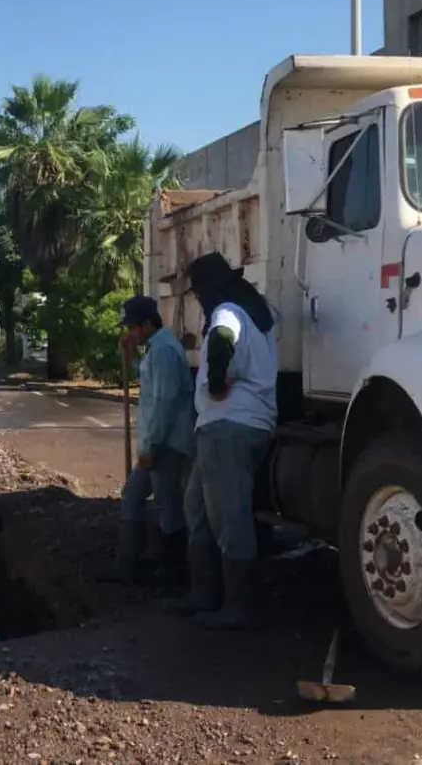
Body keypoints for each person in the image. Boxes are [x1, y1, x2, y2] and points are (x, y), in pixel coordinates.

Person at [165, 252, 278, 630]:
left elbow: (222, 341)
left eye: (198, 292)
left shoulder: (228, 311)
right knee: (196, 506)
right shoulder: (256, 315)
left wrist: (215, 383)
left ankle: (236, 607)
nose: (198, 299)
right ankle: (204, 592)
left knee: (229, 515)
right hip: (233, 426)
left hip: (229, 426)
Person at [105, 295, 194, 588]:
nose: (130, 333)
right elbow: (150, 379)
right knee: (132, 495)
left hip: (166, 444)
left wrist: (151, 448)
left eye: (132, 328)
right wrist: (132, 357)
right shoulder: (156, 350)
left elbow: (164, 403)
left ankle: (173, 574)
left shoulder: (166, 351)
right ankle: (127, 566)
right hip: (156, 443)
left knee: (168, 506)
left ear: (146, 324)